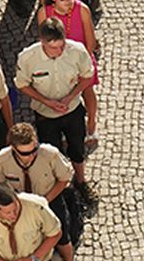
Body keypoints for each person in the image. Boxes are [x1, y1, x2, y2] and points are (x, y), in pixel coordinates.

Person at [15, 17, 98, 204]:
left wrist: (71, 96)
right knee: (52, 153)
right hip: (45, 114)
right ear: (41, 41)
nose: (59, 52)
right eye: (53, 48)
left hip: (73, 109)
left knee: (77, 148)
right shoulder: (27, 58)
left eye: (61, 46)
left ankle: (80, 181)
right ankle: (61, 188)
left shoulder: (77, 51)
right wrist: (47, 102)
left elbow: (88, 76)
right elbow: (22, 84)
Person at [0, 122, 84, 261]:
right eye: (24, 153)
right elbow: (0, 187)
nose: (31, 155)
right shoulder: (1, 161)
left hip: (49, 199)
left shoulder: (49, 154)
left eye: (34, 149)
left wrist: (46, 200)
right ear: (13, 148)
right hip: (19, 207)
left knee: (62, 236)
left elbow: (64, 179)